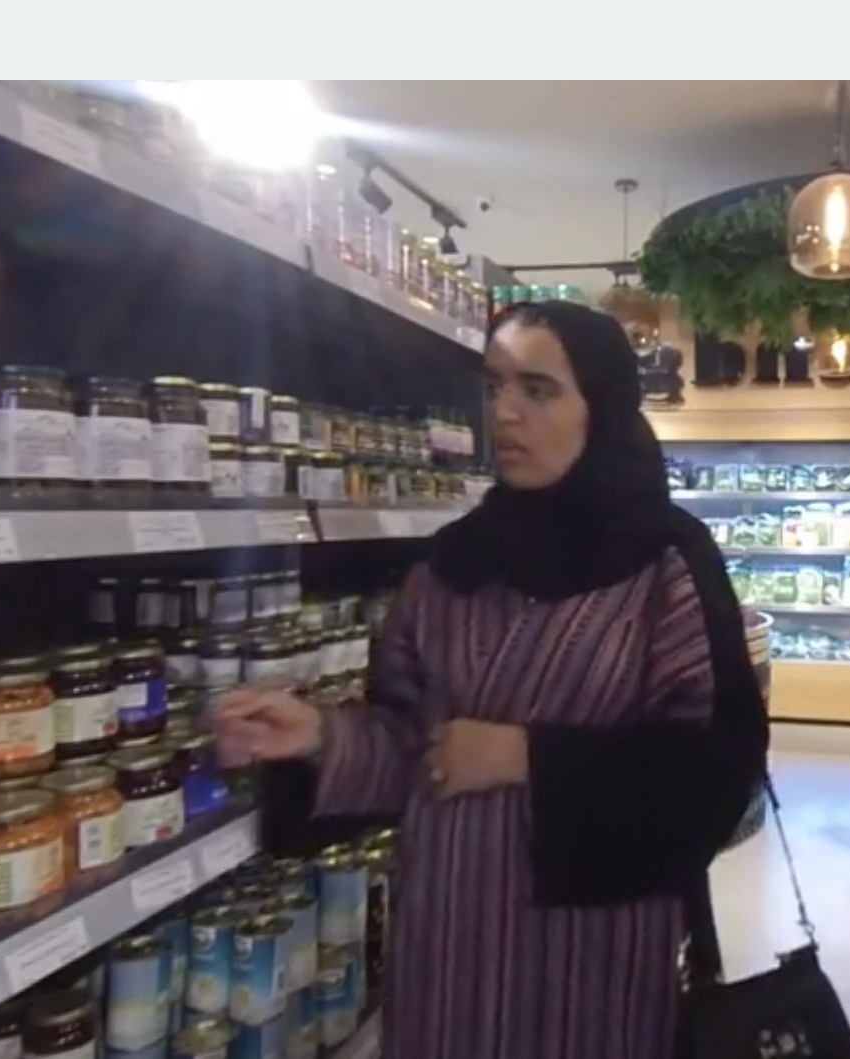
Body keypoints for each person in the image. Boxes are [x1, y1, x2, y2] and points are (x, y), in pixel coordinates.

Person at [214, 300, 770, 1059]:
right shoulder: (450, 565)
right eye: (494, 385)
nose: (504, 412)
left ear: (599, 407)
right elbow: (409, 740)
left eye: (538, 389)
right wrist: (320, 735)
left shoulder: (665, 565)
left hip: (592, 961)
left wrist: (528, 758)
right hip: (447, 949)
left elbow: (717, 772)